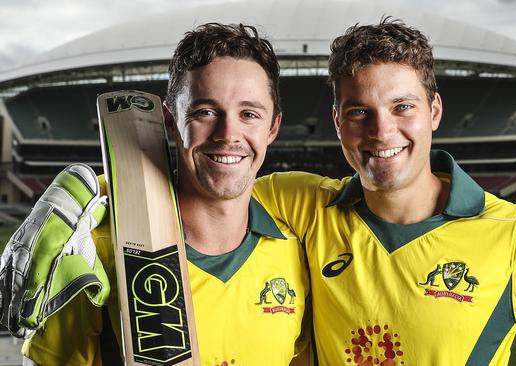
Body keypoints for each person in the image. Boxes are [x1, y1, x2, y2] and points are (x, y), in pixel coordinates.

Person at [253, 18, 516, 364]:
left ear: (435, 111)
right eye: (359, 112)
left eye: (402, 106)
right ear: (337, 122)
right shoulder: (300, 204)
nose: (381, 131)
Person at [17, 23, 310, 365]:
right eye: (205, 112)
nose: (228, 133)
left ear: (272, 126)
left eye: (249, 114)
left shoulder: (295, 251)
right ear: (170, 121)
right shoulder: (94, 250)